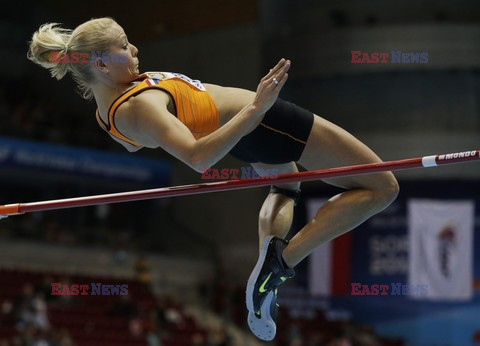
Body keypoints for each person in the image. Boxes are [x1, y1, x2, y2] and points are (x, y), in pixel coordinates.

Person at [27, 17, 399, 340]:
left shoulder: (107, 113)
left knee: (286, 183)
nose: (135, 48)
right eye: (124, 46)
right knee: (383, 187)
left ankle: (269, 265)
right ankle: (283, 262)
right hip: (267, 123)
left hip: (247, 137)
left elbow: (135, 147)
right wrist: (257, 107)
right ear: (104, 66)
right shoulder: (141, 106)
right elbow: (199, 158)